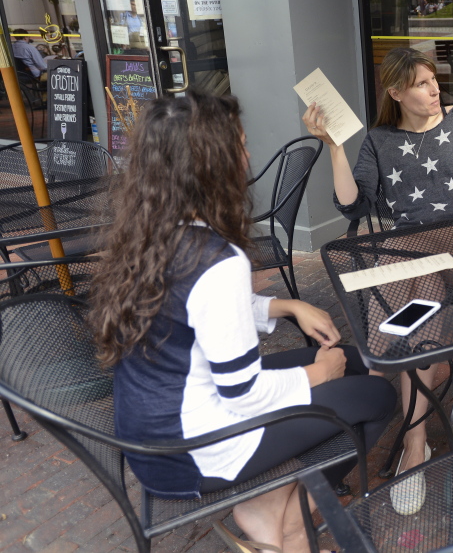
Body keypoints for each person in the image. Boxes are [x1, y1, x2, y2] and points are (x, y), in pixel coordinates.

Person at [89, 92, 396, 553]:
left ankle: (267, 502)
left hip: (153, 439)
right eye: (241, 145)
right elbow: (243, 392)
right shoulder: (216, 258)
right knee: (375, 395)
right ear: (212, 164)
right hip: (197, 452)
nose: (248, 155)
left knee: (353, 360)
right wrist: (317, 375)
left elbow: (198, 313)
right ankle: (288, 525)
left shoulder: (149, 230)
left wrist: (285, 307)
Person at [302, 46, 453, 514]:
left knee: (408, 296)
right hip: (409, 247)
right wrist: (334, 147)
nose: (434, 89)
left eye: (433, 80)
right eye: (423, 84)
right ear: (396, 92)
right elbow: (352, 204)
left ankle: (412, 440)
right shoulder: (379, 140)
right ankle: (415, 437)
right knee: (409, 311)